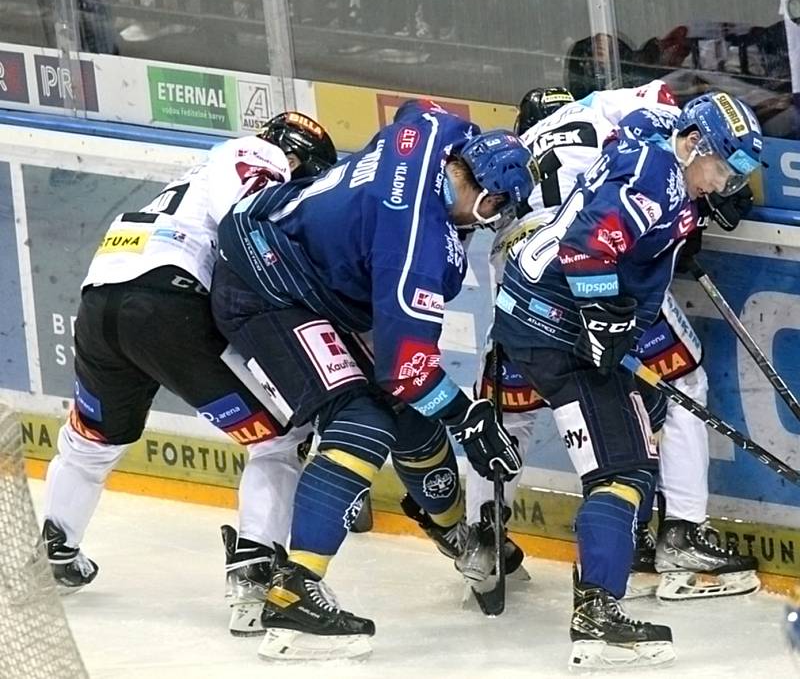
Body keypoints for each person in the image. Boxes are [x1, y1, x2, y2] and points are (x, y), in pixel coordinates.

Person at [210, 99, 533, 660]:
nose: (490, 224)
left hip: (296, 259)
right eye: (497, 210)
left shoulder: (435, 132)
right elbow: (406, 370)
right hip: (265, 287)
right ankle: (294, 593)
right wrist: (470, 419)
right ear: (488, 195)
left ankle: (456, 534)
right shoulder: (419, 247)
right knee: (364, 417)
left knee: (408, 417)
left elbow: (416, 108)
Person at [487, 90, 763, 669]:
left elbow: (639, 126)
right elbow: (586, 250)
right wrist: (603, 317)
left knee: (631, 449)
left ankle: (601, 592)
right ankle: (596, 616)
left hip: (535, 314)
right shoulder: (655, 176)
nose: (721, 183)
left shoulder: (661, 154)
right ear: (692, 145)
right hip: (554, 325)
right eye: (720, 167)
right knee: (622, 468)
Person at [41, 112, 338, 639]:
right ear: (292, 156)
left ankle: (54, 549)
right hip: (168, 306)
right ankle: (254, 569)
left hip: (99, 304)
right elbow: (244, 229)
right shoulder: (256, 154)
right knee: (280, 438)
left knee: (91, 440)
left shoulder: (193, 174)